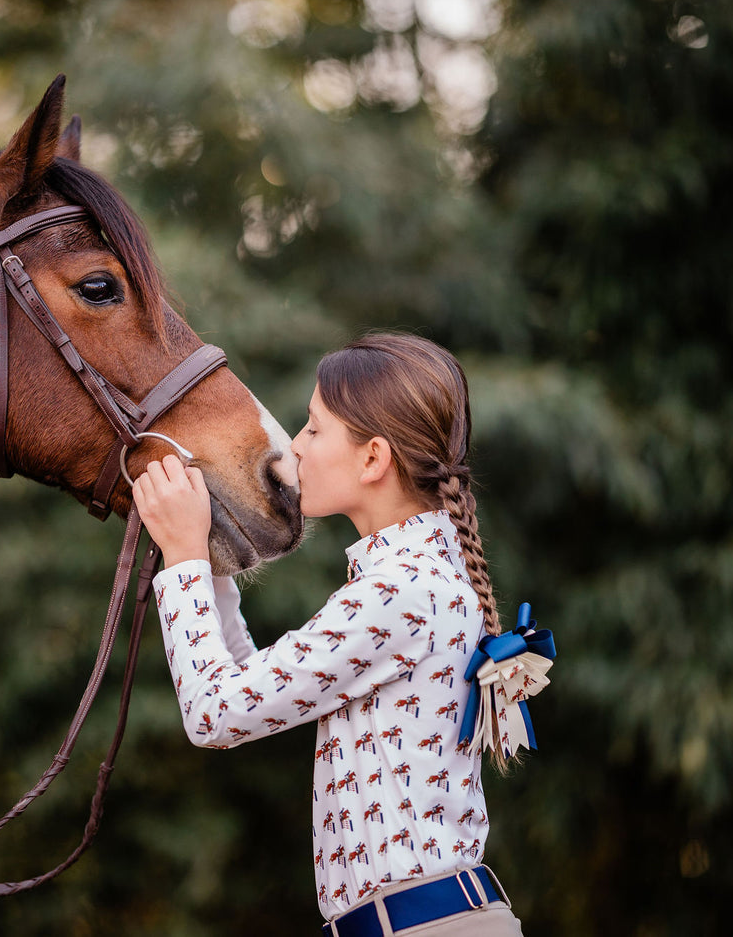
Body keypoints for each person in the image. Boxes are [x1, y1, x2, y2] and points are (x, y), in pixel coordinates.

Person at [132, 332, 551, 936]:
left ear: (373, 458)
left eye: (312, 428)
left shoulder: (399, 594)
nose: (293, 449)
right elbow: (252, 686)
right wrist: (208, 559)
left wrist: (184, 556)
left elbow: (214, 714)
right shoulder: (421, 579)